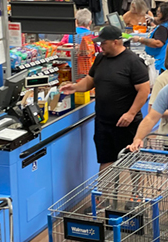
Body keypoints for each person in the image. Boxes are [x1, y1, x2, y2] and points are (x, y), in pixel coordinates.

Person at [62, 26, 150, 169]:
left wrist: (131, 113)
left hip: (126, 124)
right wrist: (75, 87)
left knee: (134, 163)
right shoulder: (100, 58)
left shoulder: (133, 62)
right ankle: (105, 191)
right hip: (103, 122)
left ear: (116, 42)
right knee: (105, 160)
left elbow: (144, 90)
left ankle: (137, 192)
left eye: (103, 42)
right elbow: (90, 81)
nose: (100, 45)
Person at [133, 2, 168, 73]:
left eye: (159, 12)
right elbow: (159, 20)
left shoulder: (163, 28)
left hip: (161, 62)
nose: (157, 14)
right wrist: (153, 19)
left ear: (164, 14)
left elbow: (158, 43)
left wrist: (140, 39)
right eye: (157, 11)